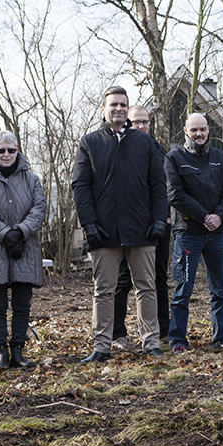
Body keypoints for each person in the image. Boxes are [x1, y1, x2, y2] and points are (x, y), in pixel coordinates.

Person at [72, 85, 168, 363]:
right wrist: (89, 224)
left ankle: (151, 343)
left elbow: (158, 184)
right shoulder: (90, 143)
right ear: (103, 109)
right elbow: (80, 186)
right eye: (113, 104)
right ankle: (102, 346)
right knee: (104, 290)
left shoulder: (144, 142)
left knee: (146, 287)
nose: (119, 109)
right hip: (104, 231)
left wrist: (158, 219)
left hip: (142, 229)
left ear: (128, 109)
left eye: (123, 105)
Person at [0, 130, 48, 370]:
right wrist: (5, 234)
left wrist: (21, 232)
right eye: (0, 150)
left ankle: (18, 349)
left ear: (17, 151)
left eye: (11, 150)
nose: (6, 154)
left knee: (23, 302)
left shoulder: (31, 179)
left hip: (25, 247)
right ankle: (1, 350)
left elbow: (39, 208)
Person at [165, 112, 223, 353]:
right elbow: (174, 194)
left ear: (209, 131)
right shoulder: (174, 158)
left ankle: (221, 338)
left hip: (217, 235)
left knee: (219, 290)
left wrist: (219, 216)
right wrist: (203, 216)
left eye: (203, 129)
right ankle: (177, 340)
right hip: (188, 233)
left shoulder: (220, 158)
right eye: (194, 129)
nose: (199, 134)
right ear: (185, 131)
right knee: (183, 290)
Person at [112, 105, 170, 349]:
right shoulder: (120, 148)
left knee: (158, 278)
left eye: (145, 122)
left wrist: (164, 215)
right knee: (122, 280)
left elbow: (164, 186)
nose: (142, 126)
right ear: (128, 123)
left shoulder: (158, 150)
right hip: (128, 226)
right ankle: (117, 334)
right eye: (136, 122)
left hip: (157, 224)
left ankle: (162, 332)